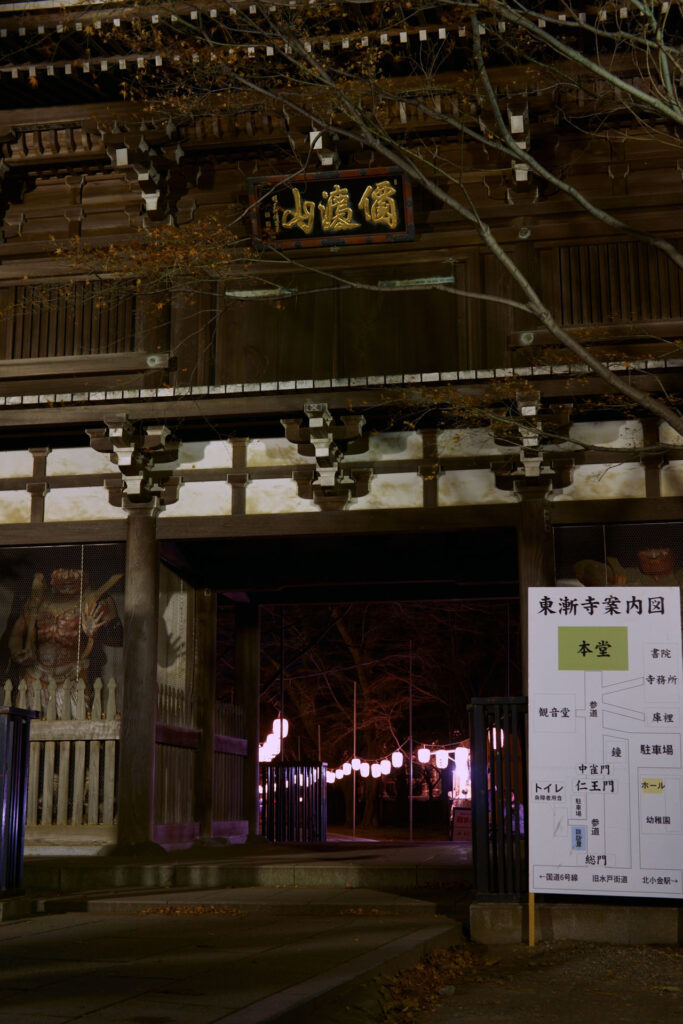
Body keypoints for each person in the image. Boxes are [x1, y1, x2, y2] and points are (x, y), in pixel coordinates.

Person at [8, 567, 122, 716]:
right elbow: (17, 632)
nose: (67, 576)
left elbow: (119, 638)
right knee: (28, 727)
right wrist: (18, 651)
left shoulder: (94, 600)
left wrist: (95, 633)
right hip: (36, 674)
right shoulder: (38, 600)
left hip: (72, 675)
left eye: (72, 571)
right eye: (62, 570)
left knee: (72, 728)